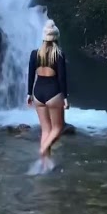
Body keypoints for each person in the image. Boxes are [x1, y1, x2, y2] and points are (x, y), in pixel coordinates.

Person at [27, 20, 69, 171]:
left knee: (45, 129)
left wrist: (28, 94)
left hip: (37, 93)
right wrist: (65, 98)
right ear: (56, 38)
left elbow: (31, 74)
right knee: (58, 128)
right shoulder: (59, 54)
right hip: (53, 92)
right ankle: (43, 150)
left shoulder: (35, 54)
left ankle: (45, 164)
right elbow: (62, 78)